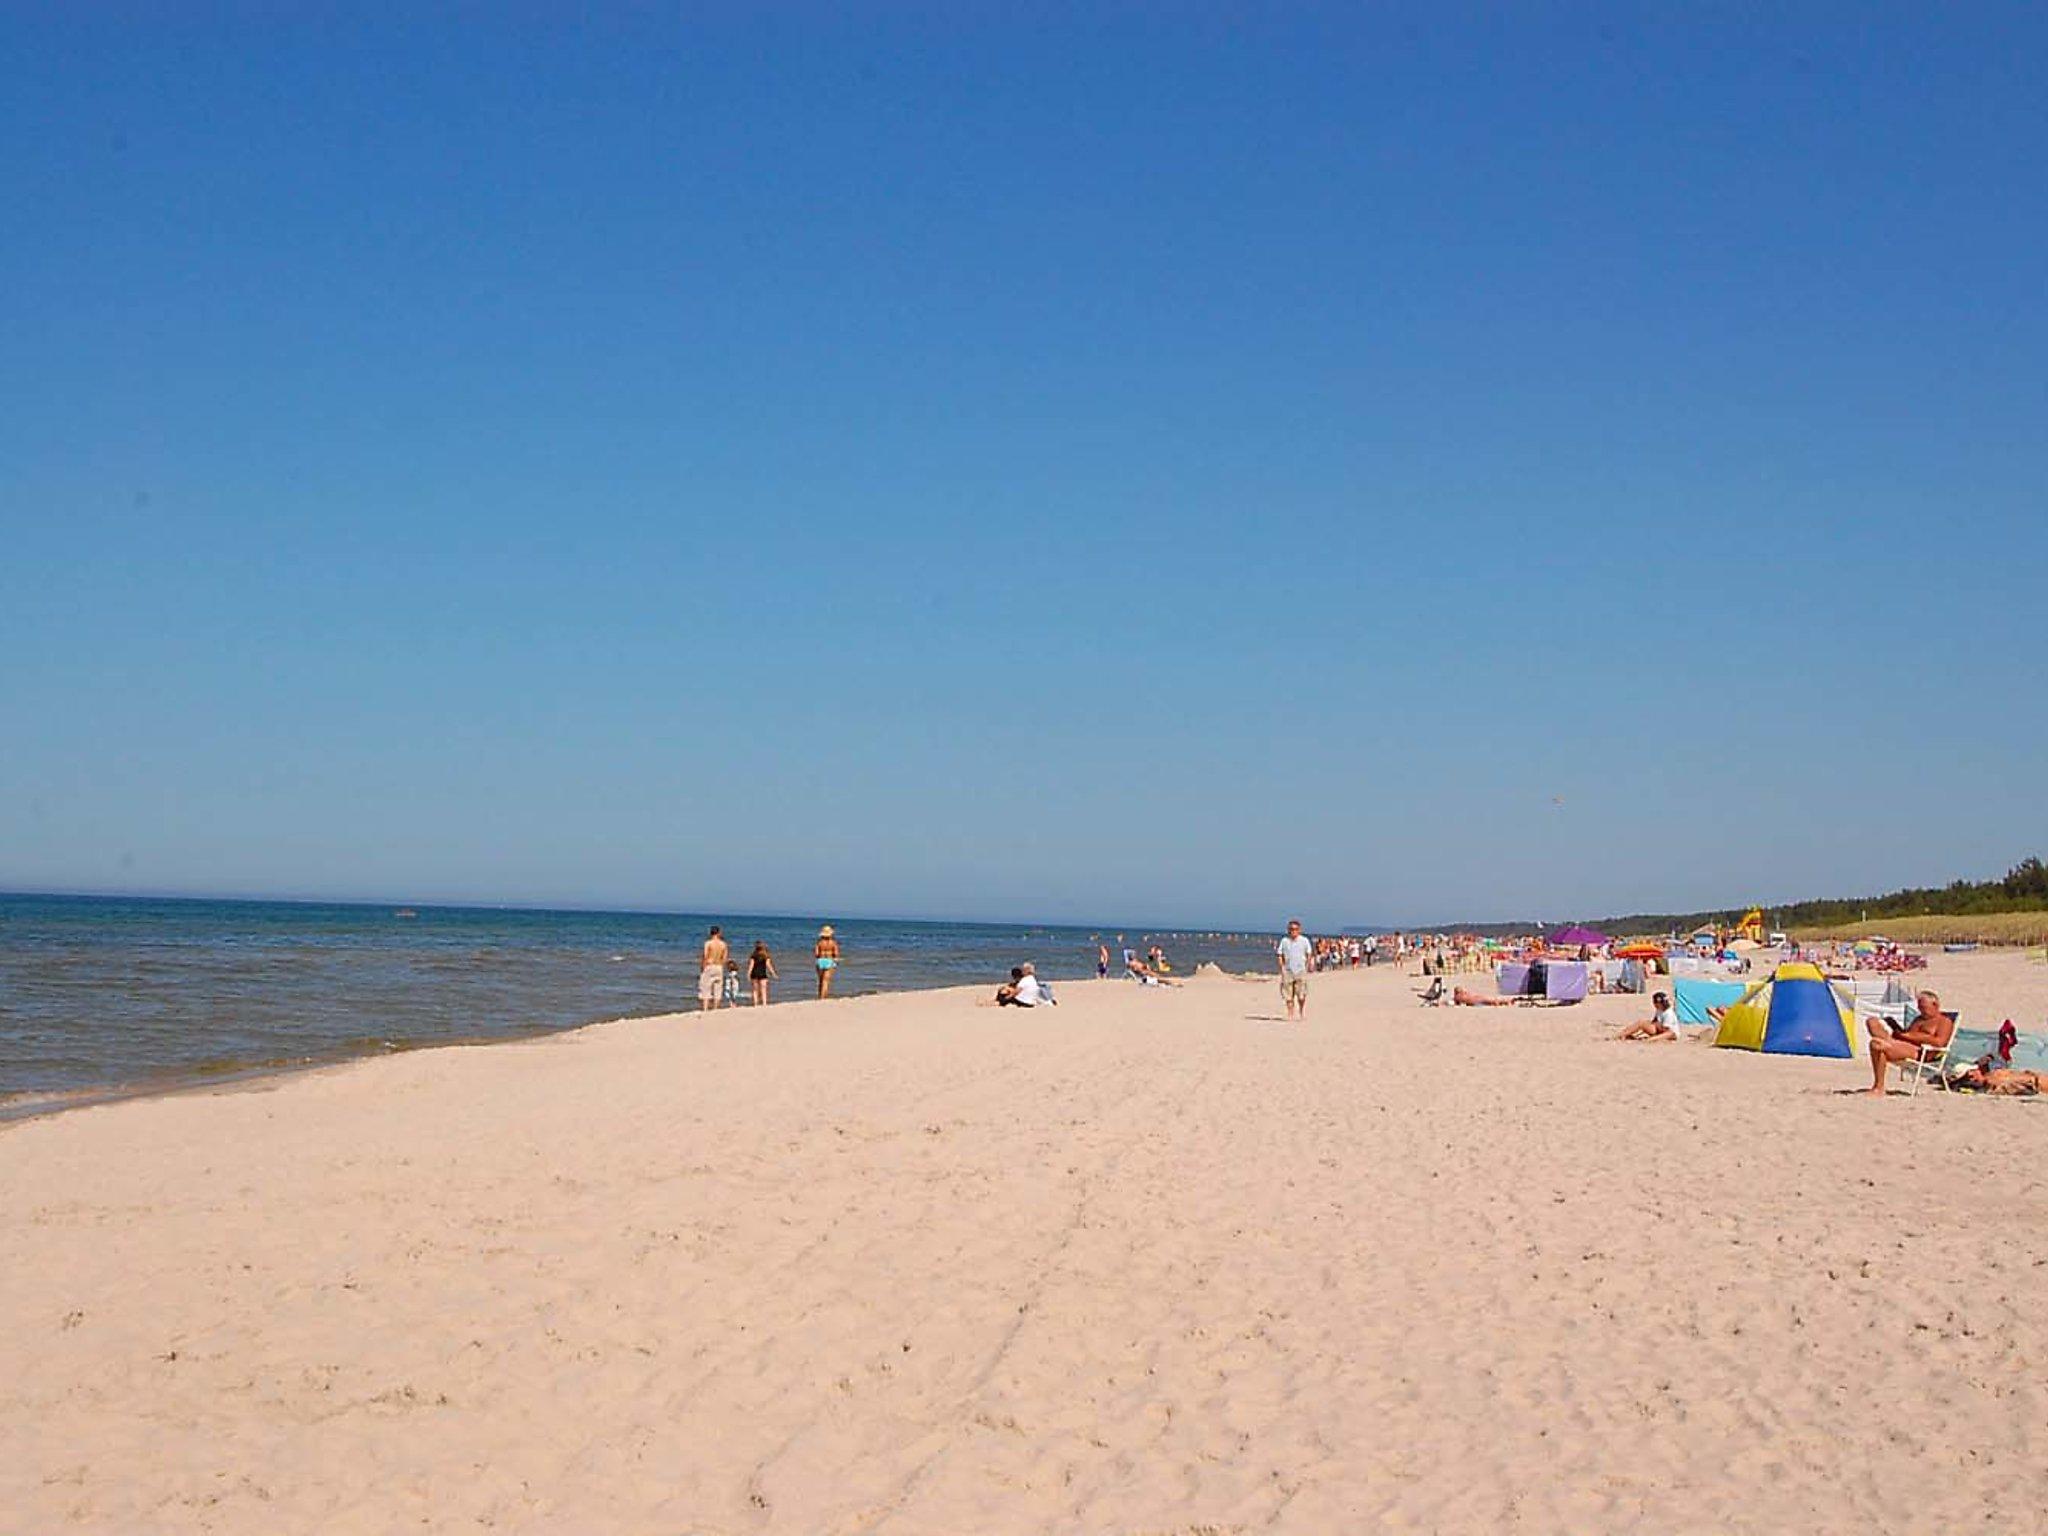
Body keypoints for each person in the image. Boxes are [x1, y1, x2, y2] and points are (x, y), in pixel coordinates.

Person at [1865, 989, 1956, 1096]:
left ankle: (1878, 1087)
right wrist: (1899, 1032)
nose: (1920, 1009)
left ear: (1935, 1005)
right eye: (1919, 1007)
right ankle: (1886, 1042)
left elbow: (1939, 1043)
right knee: (1872, 1022)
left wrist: (1914, 1037)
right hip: (1904, 1045)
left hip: (1920, 1052)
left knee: (1876, 1044)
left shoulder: (1944, 1021)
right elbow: (1908, 1035)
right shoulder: (1919, 1019)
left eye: (1923, 1007)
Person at [1276, 919, 1313, 1021]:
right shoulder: (1284, 941)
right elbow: (1279, 954)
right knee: (1288, 995)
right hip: (1288, 971)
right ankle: (1290, 1013)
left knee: (1301, 995)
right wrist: (1282, 967)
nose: (1293, 931)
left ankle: (1301, 1011)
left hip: (1300, 970)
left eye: (1295, 929)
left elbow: (1309, 953)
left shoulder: (1304, 940)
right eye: (1291, 929)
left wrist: (1307, 965)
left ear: (1299, 930)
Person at [698, 926, 729, 1012]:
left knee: (706, 988)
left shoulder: (708, 943)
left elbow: (705, 955)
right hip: (719, 966)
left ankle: (705, 1009)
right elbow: (725, 958)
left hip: (709, 965)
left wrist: (702, 967)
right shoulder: (723, 944)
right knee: (718, 988)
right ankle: (715, 1008)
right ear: (719, 933)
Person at [814, 925, 841, 998]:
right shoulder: (833, 943)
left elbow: (816, 954)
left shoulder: (819, 943)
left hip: (820, 960)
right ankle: (823, 997)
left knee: (820, 981)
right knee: (826, 982)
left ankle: (820, 996)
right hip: (829, 960)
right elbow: (836, 953)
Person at [748, 940, 777, 1006]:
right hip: (762, 974)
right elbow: (769, 966)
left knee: (755, 990)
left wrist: (748, 974)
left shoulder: (753, 955)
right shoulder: (766, 956)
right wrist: (773, 974)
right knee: (763, 990)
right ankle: (764, 1003)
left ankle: (755, 1004)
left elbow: (751, 966)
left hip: (754, 973)